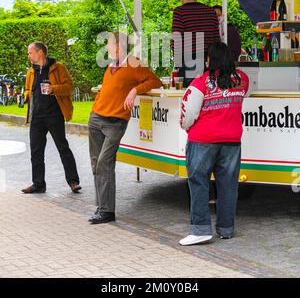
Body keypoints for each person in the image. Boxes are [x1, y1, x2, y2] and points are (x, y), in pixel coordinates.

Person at [88, 32, 162, 224]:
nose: (108, 48)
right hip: (96, 118)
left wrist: (134, 90)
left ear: (119, 46)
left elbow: (155, 81)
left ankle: (106, 211)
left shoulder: (134, 64)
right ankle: (101, 207)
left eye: (110, 45)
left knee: (104, 162)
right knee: (96, 163)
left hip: (115, 122)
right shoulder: (110, 67)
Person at [179, 42, 249, 245]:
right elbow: (243, 96)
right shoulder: (241, 79)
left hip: (203, 140)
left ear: (210, 60)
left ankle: (200, 230)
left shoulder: (200, 82)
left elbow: (188, 113)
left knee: (199, 183)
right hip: (232, 141)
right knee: (228, 186)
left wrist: (187, 127)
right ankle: (226, 229)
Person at [22, 42, 81, 194]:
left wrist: (53, 89)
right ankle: (38, 184)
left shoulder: (58, 68)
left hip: (54, 115)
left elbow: (69, 87)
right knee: (36, 151)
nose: (28, 55)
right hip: (36, 117)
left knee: (63, 148)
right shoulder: (31, 72)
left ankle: (73, 181)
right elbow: (28, 89)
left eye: (30, 52)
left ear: (40, 52)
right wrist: (26, 96)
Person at [172, 0, 220, 87]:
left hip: (190, 62)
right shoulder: (211, 11)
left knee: (191, 96)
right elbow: (217, 39)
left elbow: (177, 39)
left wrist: (178, 62)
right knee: (209, 95)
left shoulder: (179, 11)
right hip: (210, 62)